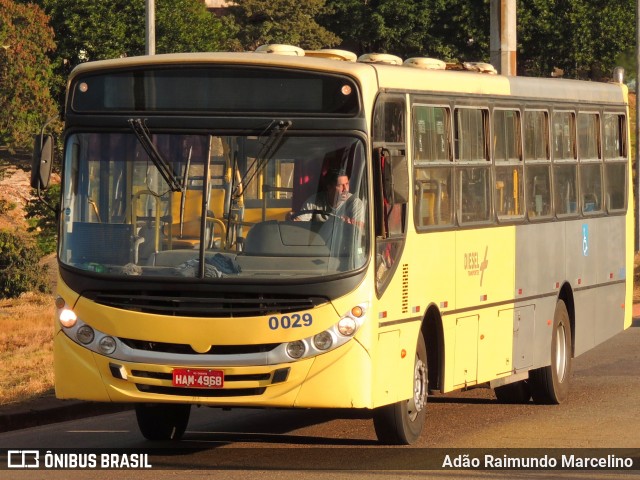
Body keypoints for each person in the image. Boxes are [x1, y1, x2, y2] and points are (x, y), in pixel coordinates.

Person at [290, 169, 364, 227]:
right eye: (340, 185)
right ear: (329, 187)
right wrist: (291, 220)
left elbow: (360, 230)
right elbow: (298, 224)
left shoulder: (354, 202)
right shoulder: (314, 201)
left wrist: (351, 226)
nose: (345, 189)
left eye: (347, 184)